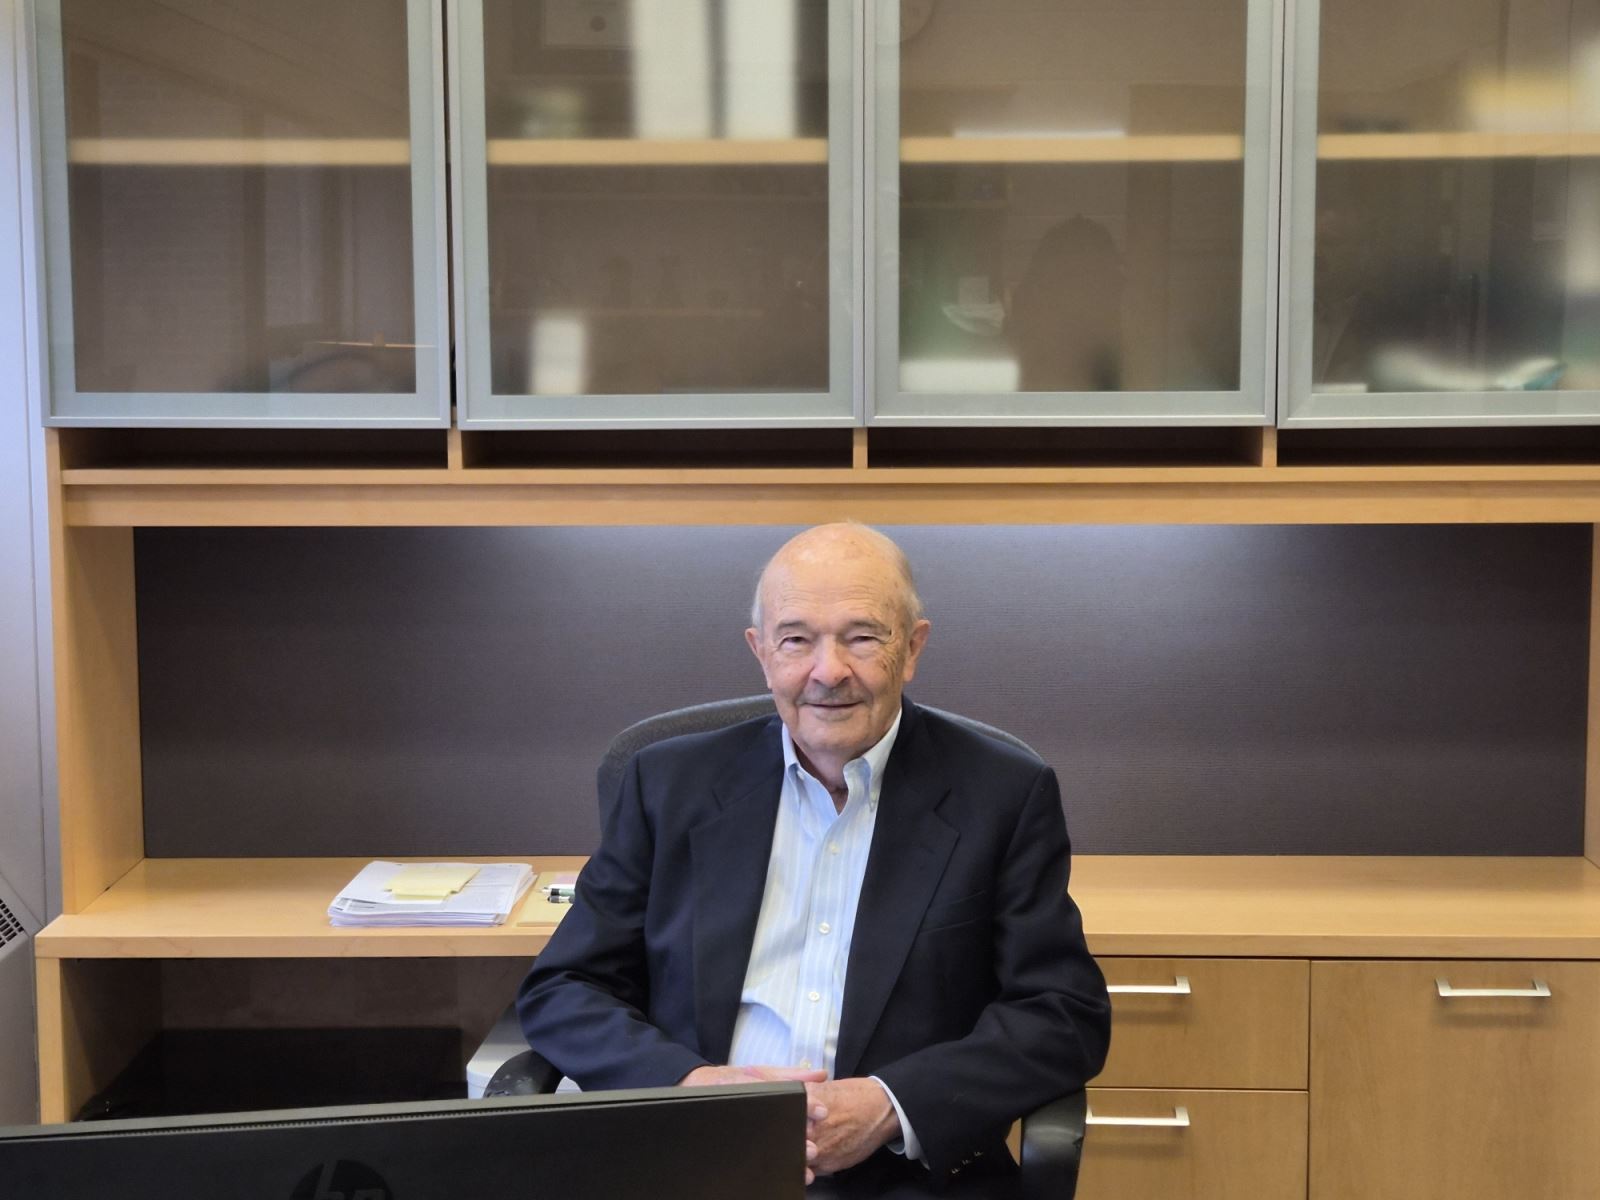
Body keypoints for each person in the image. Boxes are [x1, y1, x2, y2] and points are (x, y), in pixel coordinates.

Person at [517, 523, 1110, 1198]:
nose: (828, 671)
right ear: (762, 652)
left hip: (902, 1174)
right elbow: (565, 987)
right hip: (694, 1159)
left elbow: (1062, 1013)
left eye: (862, 636)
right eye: (796, 639)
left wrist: (889, 1105)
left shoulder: (1001, 794)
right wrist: (688, 1087)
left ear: (912, 648)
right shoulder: (667, 785)